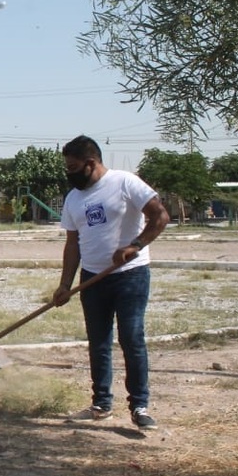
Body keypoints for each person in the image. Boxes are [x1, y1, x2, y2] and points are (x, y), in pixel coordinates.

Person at [53, 135, 170, 430]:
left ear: (91, 163)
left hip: (130, 275)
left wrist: (135, 245)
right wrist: (65, 285)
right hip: (92, 279)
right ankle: (101, 403)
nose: (69, 173)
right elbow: (72, 244)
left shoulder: (124, 182)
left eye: (73, 167)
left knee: (131, 338)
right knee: (99, 342)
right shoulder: (73, 198)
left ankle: (139, 406)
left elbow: (160, 216)